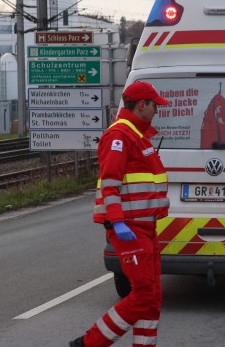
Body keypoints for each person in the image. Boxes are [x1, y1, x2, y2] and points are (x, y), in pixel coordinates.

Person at [70, 81, 171, 347]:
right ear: (141, 105)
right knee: (145, 295)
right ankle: (90, 343)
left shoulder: (137, 135)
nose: (157, 110)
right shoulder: (119, 136)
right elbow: (110, 183)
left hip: (145, 227)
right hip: (129, 228)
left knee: (152, 295)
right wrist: (117, 222)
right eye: (154, 105)